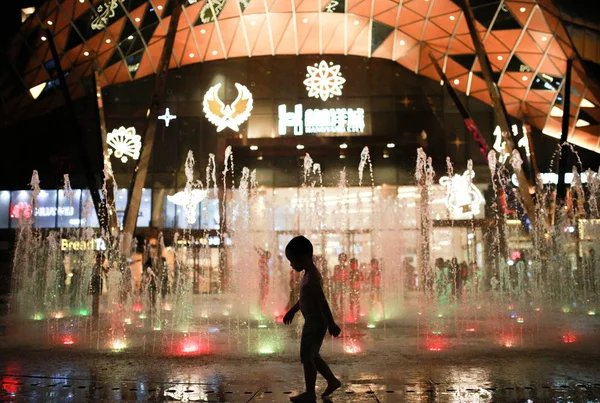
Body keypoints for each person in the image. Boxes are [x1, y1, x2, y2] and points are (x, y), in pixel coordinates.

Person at [283, 236, 342, 402]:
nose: (291, 264)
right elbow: (304, 299)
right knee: (313, 355)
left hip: (316, 322)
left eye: (292, 260)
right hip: (312, 321)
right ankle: (332, 380)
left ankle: (310, 393)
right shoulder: (307, 274)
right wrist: (293, 311)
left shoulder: (313, 277)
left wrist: (331, 323)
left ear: (304, 257)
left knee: (307, 357)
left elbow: (322, 301)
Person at [255, 247, 271, 314]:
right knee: (262, 295)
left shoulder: (264, 262)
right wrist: (258, 250)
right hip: (263, 281)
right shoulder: (263, 261)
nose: (269, 259)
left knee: (263, 296)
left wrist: (259, 249)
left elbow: (261, 254)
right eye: (268, 257)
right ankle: (259, 309)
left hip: (265, 281)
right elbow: (261, 254)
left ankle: (261, 309)